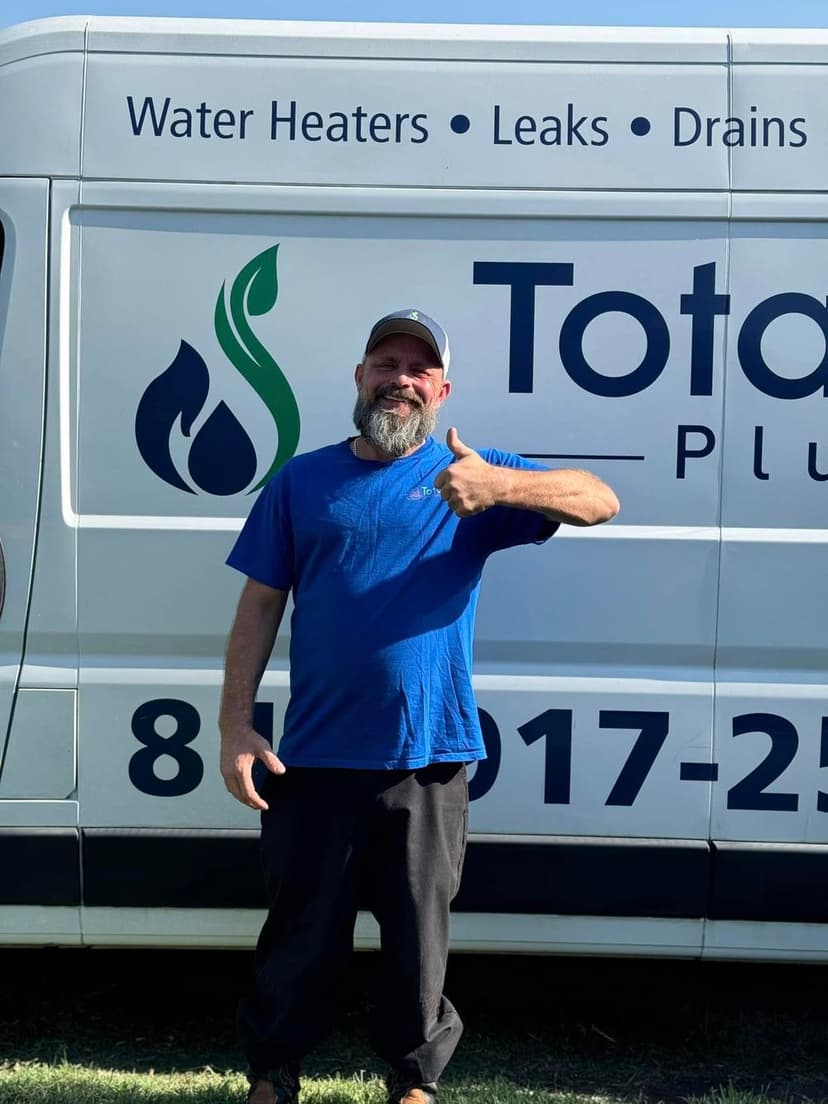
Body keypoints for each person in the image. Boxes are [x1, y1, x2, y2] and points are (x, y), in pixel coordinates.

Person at [219, 309, 620, 1104]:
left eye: (417, 367)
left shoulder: (467, 477)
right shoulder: (300, 481)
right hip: (314, 759)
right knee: (300, 935)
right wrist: (234, 721)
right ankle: (273, 1074)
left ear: (440, 390)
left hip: (428, 758)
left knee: (417, 942)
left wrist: (498, 486)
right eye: (385, 362)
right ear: (360, 378)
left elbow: (600, 498)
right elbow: (260, 603)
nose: (399, 378)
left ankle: (412, 1081)